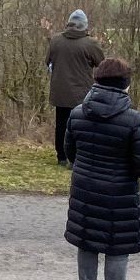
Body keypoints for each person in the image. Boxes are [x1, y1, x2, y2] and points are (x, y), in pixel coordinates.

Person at [64, 57, 140, 280]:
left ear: (97, 81)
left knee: (87, 240)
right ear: (126, 84)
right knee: (117, 247)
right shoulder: (134, 120)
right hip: (119, 192)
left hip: (84, 187)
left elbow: (71, 152)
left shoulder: (77, 113)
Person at [46, 9, 104, 167]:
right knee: (80, 126)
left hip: (60, 92)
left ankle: (61, 157)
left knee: (61, 125)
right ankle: (76, 158)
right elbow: (102, 65)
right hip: (81, 93)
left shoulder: (55, 40)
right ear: (84, 26)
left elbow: (48, 62)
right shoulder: (91, 43)